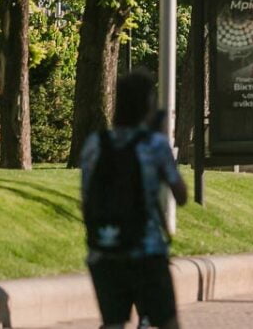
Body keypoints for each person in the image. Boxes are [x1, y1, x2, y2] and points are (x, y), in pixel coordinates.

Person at [81, 71, 188, 329]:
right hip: (146, 250)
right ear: (147, 105)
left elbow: (86, 194)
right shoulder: (155, 144)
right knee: (167, 322)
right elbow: (181, 195)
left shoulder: (96, 143)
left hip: (104, 249)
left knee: (113, 323)